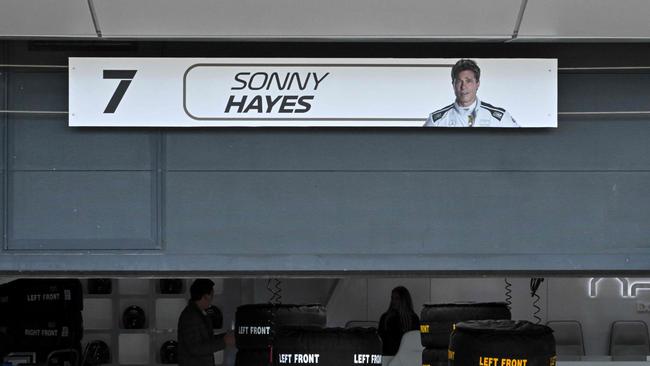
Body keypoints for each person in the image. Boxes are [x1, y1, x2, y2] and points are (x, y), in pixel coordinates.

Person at [424, 59, 518, 127]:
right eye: (459, 81)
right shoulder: (437, 121)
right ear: (453, 84)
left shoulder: (499, 118)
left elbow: (521, 145)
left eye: (468, 81)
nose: (463, 87)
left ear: (477, 84)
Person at [178, 279, 235, 366]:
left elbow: (206, 340)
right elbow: (195, 348)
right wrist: (224, 341)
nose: (212, 299)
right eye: (211, 295)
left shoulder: (198, 313)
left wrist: (225, 337)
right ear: (205, 296)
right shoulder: (190, 316)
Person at [378, 286, 420, 356]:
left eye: (397, 298)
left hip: (406, 358)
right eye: (392, 298)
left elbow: (416, 342)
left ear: (404, 300)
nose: (393, 301)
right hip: (389, 357)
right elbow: (381, 342)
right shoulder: (385, 318)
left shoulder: (413, 318)